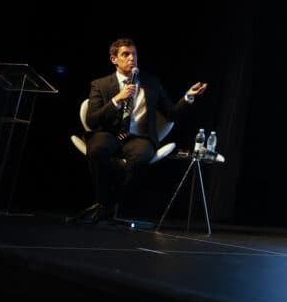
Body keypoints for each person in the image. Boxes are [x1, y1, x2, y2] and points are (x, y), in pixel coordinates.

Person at [73, 37, 208, 224]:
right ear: (114, 59)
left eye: (134, 54)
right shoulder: (100, 84)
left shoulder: (151, 83)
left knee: (141, 158)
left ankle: (110, 206)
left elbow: (171, 113)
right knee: (97, 149)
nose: (131, 58)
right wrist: (117, 99)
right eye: (125, 54)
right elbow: (92, 119)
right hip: (108, 133)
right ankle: (103, 203)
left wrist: (188, 97)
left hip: (138, 136)